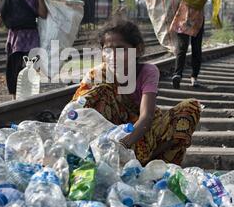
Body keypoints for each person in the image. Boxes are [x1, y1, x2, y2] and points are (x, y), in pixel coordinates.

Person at [70, 19, 201, 165]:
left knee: (190, 107)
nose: (113, 55)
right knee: (101, 91)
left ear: (137, 50)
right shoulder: (97, 75)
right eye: (107, 50)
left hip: (141, 134)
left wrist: (123, 144)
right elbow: (77, 113)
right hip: (109, 138)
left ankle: (150, 165)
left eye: (121, 49)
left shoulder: (147, 72)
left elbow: (147, 116)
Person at [170, 0, 226, 89]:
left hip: (197, 18)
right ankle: (178, 75)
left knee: (197, 50)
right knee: (182, 48)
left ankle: (194, 78)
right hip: (183, 16)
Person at [0, 0, 48, 97]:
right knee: (14, 67)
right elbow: (1, 16)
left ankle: (31, 95)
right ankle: (15, 96)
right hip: (16, 38)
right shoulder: (9, 0)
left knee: (32, 67)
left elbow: (43, 14)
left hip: (31, 36)